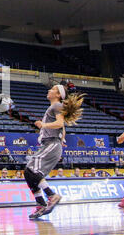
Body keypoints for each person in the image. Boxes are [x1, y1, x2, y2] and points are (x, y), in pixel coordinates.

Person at [25, 84, 85, 219]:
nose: (49, 90)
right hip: (50, 144)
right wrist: (61, 138)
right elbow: (62, 128)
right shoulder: (54, 107)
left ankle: (51, 195)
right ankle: (40, 204)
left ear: (58, 95)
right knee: (29, 173)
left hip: (52, 143)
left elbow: (59, 124)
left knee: (31, 170)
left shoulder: (56, 106)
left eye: (52, 89)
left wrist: (43, 125)